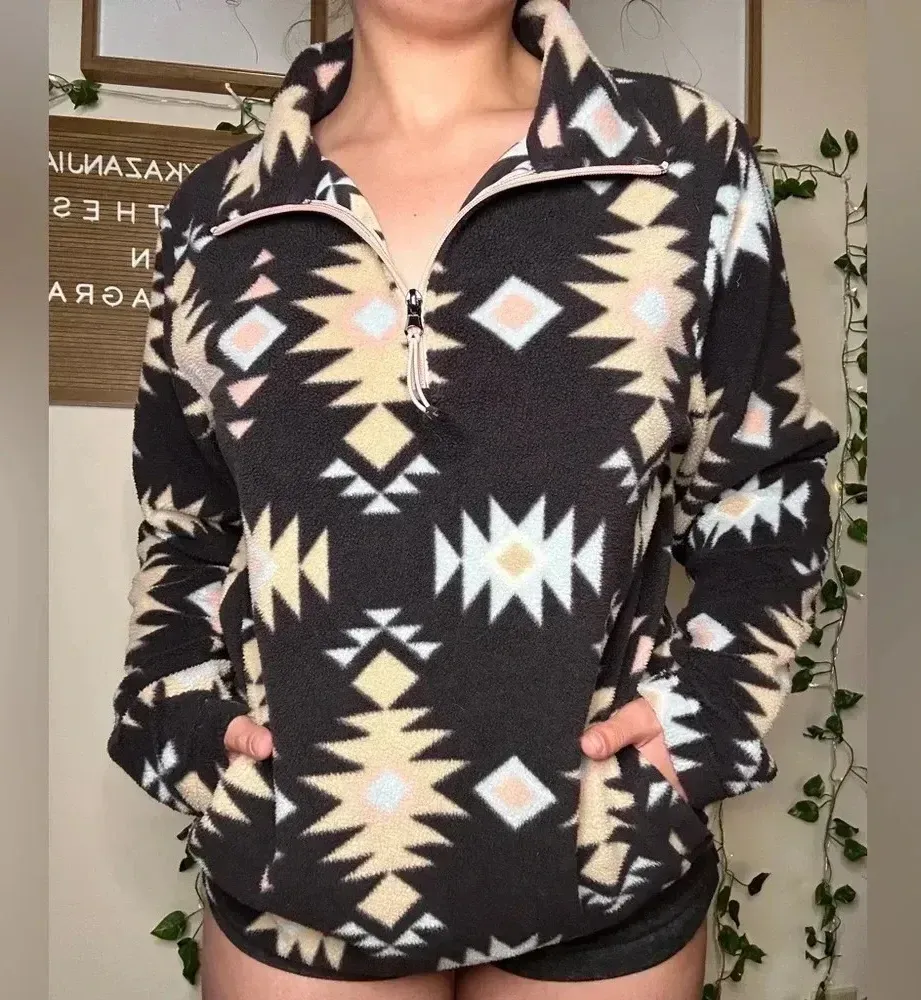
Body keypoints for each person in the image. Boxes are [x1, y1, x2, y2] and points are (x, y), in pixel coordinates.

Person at [106, 0, 838, 996]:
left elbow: (761, 481)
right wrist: (182, 722)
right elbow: (187, 524)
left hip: (603, 870)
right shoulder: (218, 214)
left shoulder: (679, 159)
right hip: (299, 874)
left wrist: (707, 716)